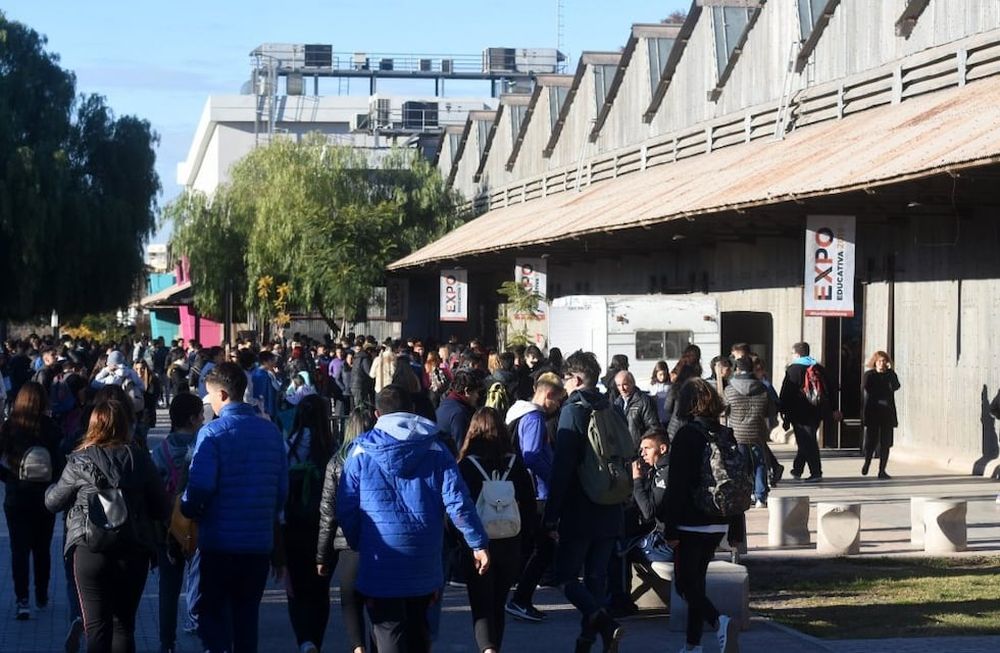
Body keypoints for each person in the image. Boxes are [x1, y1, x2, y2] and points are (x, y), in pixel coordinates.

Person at [337, 384, 490, 653]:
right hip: (425, 561)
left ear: (377, 414)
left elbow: (346, 507)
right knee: (420, 634)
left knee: (387, 632)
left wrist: (358, 540)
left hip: (380, 560)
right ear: (412, 410)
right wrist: (477, 543)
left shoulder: (359, 453)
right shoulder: (436, 449)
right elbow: (458, 503)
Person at [44, 400, 169, 651]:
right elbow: (161, 508)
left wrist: (50, 488)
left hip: (91, 549)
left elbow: (53, 502)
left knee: (97, 627)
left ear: (92, 425)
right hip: (133, 549)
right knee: (124, 625)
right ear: (126, 425)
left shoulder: (79, 460)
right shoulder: (140, 458)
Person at [181, 362, 288, 653]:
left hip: (219, 543)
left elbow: (200, 486)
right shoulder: (271, 433)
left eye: (211, 397)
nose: (210, 404)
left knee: (211, 614)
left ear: (224, 395)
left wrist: (187, 508)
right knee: (246, 618)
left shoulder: (213, 433)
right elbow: (281, 491)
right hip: (257, 545)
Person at [543, 350, 625, 653]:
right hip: (611, 503)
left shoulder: (573, 410)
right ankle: (588, 641)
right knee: (595, 577)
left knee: (565, 576)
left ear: (576, 378)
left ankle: (605, 624)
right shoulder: (611, 406)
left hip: (580, 507)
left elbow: (562, 467)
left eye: (566, 377)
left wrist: (551, 515)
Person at [664, 378, 745, 653]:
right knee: (696, 584)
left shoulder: (687, 435)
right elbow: (736, 480)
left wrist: (670, 529)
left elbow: (676, 485)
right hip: (718, 520)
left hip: (690, 521)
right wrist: (735, 528)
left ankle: (719, 621)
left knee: (685, 586)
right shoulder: (725, 434)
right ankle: (692, 645)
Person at [457, 408, 535, 653]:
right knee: (498, 604)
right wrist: (526, 543)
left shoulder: (466, 466)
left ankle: (488, 650)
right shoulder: (515, 463)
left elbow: (457, 506)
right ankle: (495, 648)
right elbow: (529, 505)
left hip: (478, 544)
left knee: (482, 606)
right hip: (510, 540)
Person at [504, 372, 565, 622]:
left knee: (538, 547)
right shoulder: (535, 417)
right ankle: (520, 599)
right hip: (538, 492)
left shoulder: (517, 412)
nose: (558, 406)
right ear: (548, 394)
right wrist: (553, 477)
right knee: (544, 548)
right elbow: (531, 455)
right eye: (558, 401)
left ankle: (519, 598)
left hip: (528, 490)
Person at [0, 382, 64, 620]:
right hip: (45, 496)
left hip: (17, 496)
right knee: (42, 547)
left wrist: (10, 479)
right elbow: (59, 463)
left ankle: (22, 599)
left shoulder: (9, 428)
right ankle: (42, 593)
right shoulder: (51, 428)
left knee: (19, 549)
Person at [317, 408, 375, 653]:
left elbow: (327, 513)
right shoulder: (378, 457)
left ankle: (358, 647)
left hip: (347, 543)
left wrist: (322, 555)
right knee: (378, 603)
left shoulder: (337, 461)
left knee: (350, 602)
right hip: (376, 540)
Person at [151, 392, 205, 653]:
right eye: (201, 415)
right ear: (193, 419)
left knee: (168, 589)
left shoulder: (158, 451)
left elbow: (153, 492)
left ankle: (166, 642)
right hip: (199, 525)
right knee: (204, 582)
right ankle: (202, 629)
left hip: (168, 527)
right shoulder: (205, 446)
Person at [283, 395, 334, 653]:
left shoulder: (288, 447)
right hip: (324, 527)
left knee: (295, 589)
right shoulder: (330, 448)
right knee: (320, 589)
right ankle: (316, 640)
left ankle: (304, 639)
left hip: (293, 526)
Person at [779, 342, 839, 483]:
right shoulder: (819, 368)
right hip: (818, 410)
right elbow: (831, 389)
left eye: (793, 353)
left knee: (808, 441)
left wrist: (783, 412)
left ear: (797, 354)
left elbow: (787, 393)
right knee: (807, 439)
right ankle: (797, 469)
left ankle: (816, 472)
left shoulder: (793, 370)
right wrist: (833, 408)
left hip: (799, 412)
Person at [724, 357, 776, 508]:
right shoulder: (762, 387)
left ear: (737, 369)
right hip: (757, 432)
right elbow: (770, 410)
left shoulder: (730, 389)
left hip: (737, 434)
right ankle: (760, 496)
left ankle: (744, 494)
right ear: (752, 368)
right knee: (760, 463)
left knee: (740, 465)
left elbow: (724, 409)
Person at [631, 428, 673, 563]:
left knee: (620, 550)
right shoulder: (657, 469)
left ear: (662, 449)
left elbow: (648, 512)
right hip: (662, 536)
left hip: (666, 543)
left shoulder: (666, 472)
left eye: (647, 448)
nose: (642, 454)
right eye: (641, 449)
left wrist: (637, 481)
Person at [861, 351, 900, 479]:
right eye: (879, 361)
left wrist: (888, 376)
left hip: (887, 412)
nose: (882, 364)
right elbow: (866, 388)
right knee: (871, 441)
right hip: (873, 411)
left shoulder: (890, 374)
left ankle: (882, 470)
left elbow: (896, 386)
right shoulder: (869, 375)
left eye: (884, 361)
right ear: (875, 362)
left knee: (886, 443)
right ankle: (867, 462)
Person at [436, 369, 483, 451]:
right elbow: (461, 448)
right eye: (476, 392)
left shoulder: (445, 404)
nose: (477, 396)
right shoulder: (459, 414)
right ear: (466, 391)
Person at [613, 370, 660, 447]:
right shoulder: (617, 403)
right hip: (622, 451)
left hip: (638, 451)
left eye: (625, 384)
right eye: (618, 385)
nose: (622, 388)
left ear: (632, 383)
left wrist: (643, 449)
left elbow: (653, 428)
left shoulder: (644, 401)